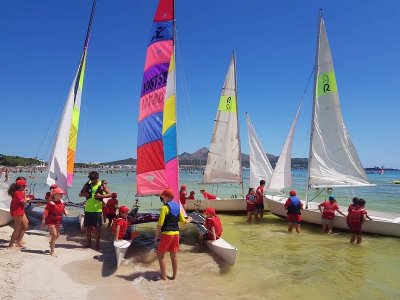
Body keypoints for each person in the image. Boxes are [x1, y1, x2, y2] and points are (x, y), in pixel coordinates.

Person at [155, 188, 192, 281]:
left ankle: (164, 277)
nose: (161, 200)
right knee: (174, 255)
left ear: (166, 198)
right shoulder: (177, 207)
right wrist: (189, 219)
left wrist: (156, 235)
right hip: (176, 234)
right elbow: (183, 221)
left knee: (160, 255)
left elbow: (160, 223)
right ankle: (174, 277)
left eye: (161, 198)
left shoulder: (164, 208)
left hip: (167, 234)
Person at [79, 171, 111, 249]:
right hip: (88, 209)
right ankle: (89, 243)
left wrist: (101, 196)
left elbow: (110, 194)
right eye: (91, 180)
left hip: (97, 210)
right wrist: (84, 194)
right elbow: (80, 194)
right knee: (88, 228)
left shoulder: (102, 185)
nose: (92, 181)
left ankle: (97, 245)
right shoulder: (87, 184)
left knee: (97, 228)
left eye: (94, 180)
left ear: (97, 178)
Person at [41, 187, 68, 256]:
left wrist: (65, 211)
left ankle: (51, 242)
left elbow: (62, 209)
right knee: (54, 235)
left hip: (58, 221)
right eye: (59, 194)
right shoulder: (50, 204)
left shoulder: (61, 202)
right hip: (51, 221)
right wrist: (43, 222)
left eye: (61, 194)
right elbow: (45, 213)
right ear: (54, 195)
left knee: (58, 235)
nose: (61, 195)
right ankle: (52, 251)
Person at [8, 178, 30, 248]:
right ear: (20, 187)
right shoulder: (17, 193)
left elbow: (23, 201)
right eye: (24, 186)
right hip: (17, 211)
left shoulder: (22, 192)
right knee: (17, 228)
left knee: (26, 225)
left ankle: (19, 241)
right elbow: (23, 202)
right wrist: (27, 199)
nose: (25, 187)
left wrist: (25, 197)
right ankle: (10, 244)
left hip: (21, 210)